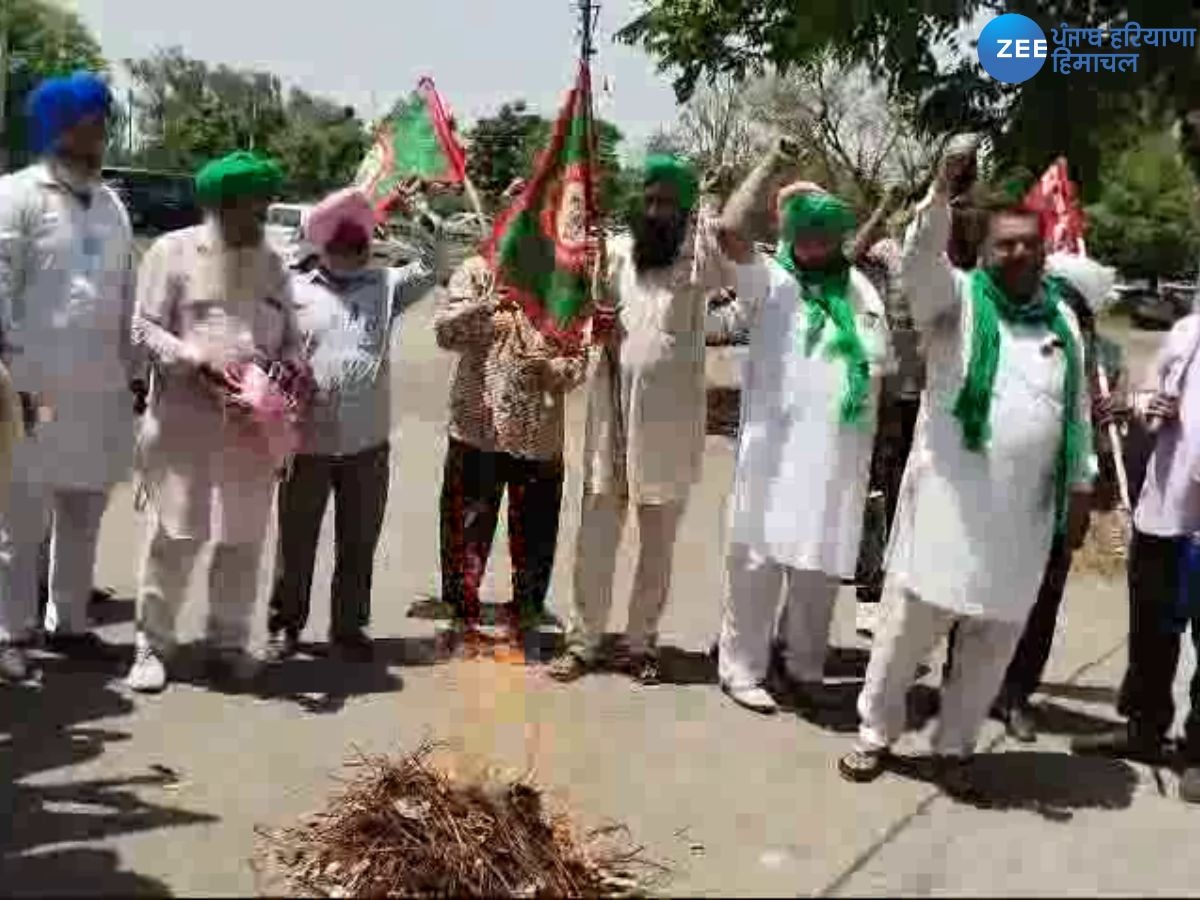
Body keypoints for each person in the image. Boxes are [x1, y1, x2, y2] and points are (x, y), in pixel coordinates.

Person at [838, 140, 1094, 793]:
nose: (1017, 253)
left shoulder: (1062, 319)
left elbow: (1075, 413)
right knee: (903, 638)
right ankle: (875, 733)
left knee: (990, 645)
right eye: (1003, 244)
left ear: (1045, 250)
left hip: (1022, 524)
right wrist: (941, 187)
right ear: (982, 252)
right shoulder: (954, 302)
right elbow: (922, 256)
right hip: (947, 515)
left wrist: (1082, 483)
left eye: (1027, 244)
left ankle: (956, 747)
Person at [710, 143, 892, 715]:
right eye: (804, 229)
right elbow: (730, 229)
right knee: (758, 565)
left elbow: (878, 370)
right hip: (773, 458)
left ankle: (803, 664)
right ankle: (742, 669)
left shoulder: (860, 288)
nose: (815, 240)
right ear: (790, 232)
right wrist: (768, 162)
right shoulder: (770, 280)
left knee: (817, 569)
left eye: (826, 230)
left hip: (837, 463)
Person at [547, 156, 732, 684]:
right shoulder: (619, 255)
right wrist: (594, 325)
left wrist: (708, 211)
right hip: (612, 421)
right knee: (596, 539)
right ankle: (583, 641)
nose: (655, 210)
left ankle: (639, 644)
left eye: (667, 203)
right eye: (649, 199)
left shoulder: (696, 263)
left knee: (657, 546)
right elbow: (587, 311)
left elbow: (720, 261)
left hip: (668, 430)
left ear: (684, 209)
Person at [125, 150, 302, 693]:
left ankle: (227, 643)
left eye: (263, 206)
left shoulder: (271, 262)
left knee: (242, 540)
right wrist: (194, 363)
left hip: (253, 428)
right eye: (250, 209)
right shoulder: (173, 252)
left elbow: (290, 335)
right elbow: (143, 329)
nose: (258, 220)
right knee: (176, 536)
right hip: (185, 421)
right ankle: (150, 646)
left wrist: (285, 372)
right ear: (221, 206)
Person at [940, 253, 1124, 743]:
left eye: (1071, 303)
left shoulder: (1105, 357)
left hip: (1061, 496)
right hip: (1001, 486)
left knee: (1042, 599)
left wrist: (1110, 420)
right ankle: (958, 684)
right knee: (978, 587)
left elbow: (1102, 441)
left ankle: (1015, 693)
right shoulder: (1010, 334)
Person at [0, 72, 142, 681]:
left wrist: (136, 374)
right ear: (57, 126)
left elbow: (127, 292)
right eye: (88, 123)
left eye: (103, 124)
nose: (100, 135)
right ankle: (11, 632)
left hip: (101, 390)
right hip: (32, 388)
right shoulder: (16, 195)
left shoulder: (111, 204)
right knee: (21, 514)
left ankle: (71, 624)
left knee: (84, 508)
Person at [265, 183, 435, 663]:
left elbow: (434, 264)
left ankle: (348, 627)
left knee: (358, 542)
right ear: (326, 245)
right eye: (347, 240)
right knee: (295, 542)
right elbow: (269, 347)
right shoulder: (293, 288)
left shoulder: (386, 286)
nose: (358, 247)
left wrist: (415, 211)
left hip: (366, 444)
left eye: (364, 239)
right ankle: (285, 625)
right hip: (307, 442)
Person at [434, 196, 589, 655]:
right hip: (476, 429)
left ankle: (526, 615)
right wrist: (484, 306)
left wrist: (553, 371)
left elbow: (580, 356)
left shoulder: (565, 287)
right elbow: (445, 334)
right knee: (466, 528)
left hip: (537, 434)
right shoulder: (476, 272)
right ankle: (462, 616)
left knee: (535, 534)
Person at [1072, 307, 1200, 804]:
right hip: (1165, 510)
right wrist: (1141, 407)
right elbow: (1153, 395)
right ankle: (1143, 730)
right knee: (1151, 628)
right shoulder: (1187, 332)